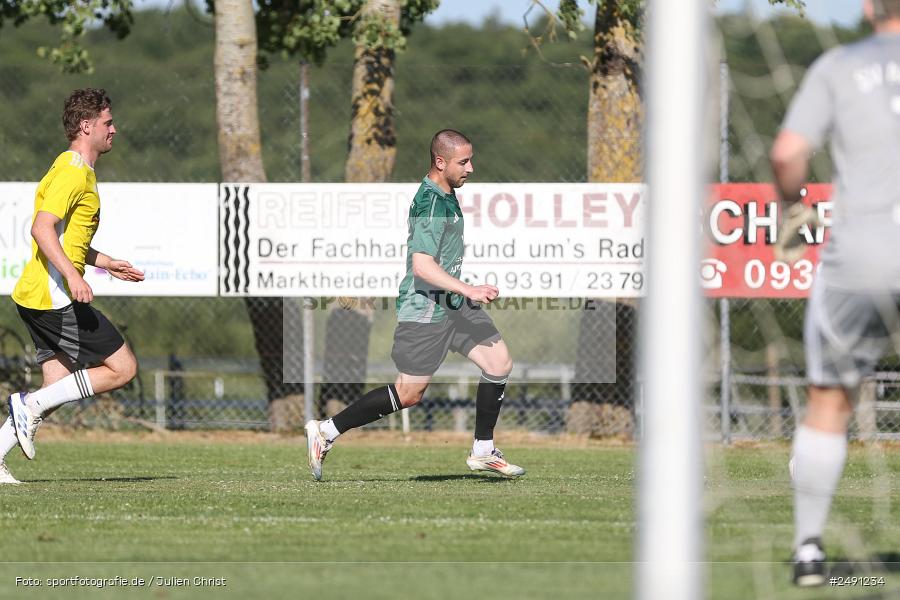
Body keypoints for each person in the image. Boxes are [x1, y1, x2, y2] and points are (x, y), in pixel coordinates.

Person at [304, 129, 524, 481]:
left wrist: (462, 294)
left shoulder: (447, 193)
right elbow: (422, 266)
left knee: (499, 362)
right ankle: (326, 431)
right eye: (463, 162)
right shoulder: (432, 203)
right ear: (441, 162)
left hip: (451, 305)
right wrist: (468, 289)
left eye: (470, 160)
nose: (471, 168)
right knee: (409, 393)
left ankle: (483, 449)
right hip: (426, 309)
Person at [770, 0, 900, 587]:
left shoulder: (839, 65)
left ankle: (809, 553)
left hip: (864, 255)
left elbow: (786, 153)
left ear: (870, 7)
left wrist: (794, 206)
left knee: (828, 401)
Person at [1, 88, 144, 484]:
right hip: (53, 296)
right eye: (107, 122)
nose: (114, 129)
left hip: (38, 295)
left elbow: (68, 238)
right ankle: (25, 407)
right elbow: (41, 228)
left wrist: (104, 262)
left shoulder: (75, 168)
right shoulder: (72, 170)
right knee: (122, 368)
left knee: (56, 387)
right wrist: (73, 275)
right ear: (86, 126)